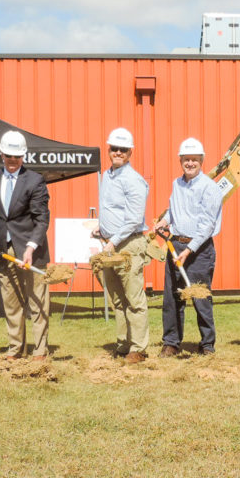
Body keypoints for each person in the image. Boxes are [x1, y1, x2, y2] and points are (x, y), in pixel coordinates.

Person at [0, 130, 50, 361]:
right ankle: (15, 349)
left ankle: (40, 351)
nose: (13, 160)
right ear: (1, 153)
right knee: (11, 303)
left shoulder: (35, 180)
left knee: (37, 301)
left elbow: (41, 219)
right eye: (9, 155)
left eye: (17, 156)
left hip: (32, 250)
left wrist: (30, 248)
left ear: (23, 156)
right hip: (4, 251)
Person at [154, 137, 223, 357]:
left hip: (199, 250)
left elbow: (207, 225)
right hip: (176, 244)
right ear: (180, 160)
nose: (190, 163)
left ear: (201, 161)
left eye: (194, 159)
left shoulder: (209, 188)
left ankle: (207, 344)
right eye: (186, 159)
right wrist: (165, 220)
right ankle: (171, 342)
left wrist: (189, 250)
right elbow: (174, 209)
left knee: (200, 297)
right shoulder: (177, 184)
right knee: (172, 298)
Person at [94, 127, 149, 364]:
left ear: (130, 152)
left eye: (123, 149)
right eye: (114, 148)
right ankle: (123, 343)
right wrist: (102, 229)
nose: (118, 152)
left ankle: (139, 348)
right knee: (117, 299)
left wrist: (113, 241)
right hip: (111, 243)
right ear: (109, 150)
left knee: (134, 299)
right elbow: (111, 209)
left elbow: (134, 219)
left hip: (128, 245)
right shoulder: (108, 175)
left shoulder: (134, 180)